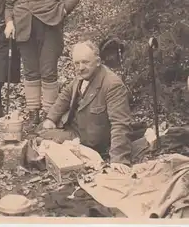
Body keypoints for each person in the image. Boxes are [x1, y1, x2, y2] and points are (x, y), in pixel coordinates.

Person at [4, 0, 81, 126]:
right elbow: (8, 4)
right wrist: (9, 22)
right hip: (23, 27)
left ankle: (50, 115)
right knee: (30, 72)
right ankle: (33, 113)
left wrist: (63, 9)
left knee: (48, 71)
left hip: (49, 24)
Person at [37, 40, 136, 173]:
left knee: (40, 142)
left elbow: (120, 123)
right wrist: (51, 118)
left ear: (98, 62)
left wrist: (119, 158)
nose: (80, 67)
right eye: (77, 63)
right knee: (41, 131)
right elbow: (65, 96)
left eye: (85, 62)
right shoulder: (81, 76)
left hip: (93, 141)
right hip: (75, 130)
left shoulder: (112, 85)